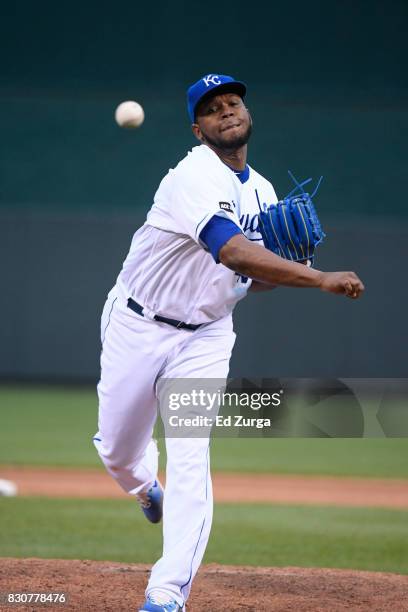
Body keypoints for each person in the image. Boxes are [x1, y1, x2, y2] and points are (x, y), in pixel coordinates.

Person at [93, 73, 364, 612]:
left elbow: (250, 279)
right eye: (213, 108)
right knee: (119, 450)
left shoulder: (262, 191)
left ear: (247, 114)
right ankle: (144, 486)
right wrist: (318, 278)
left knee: (191, 455)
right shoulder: (191, 176)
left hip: (208, 336)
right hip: (138, 323)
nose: (227, 111)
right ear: (199, 130)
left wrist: (292, 267)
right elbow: (234, 253)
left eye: (233, 102)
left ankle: (167, 593)